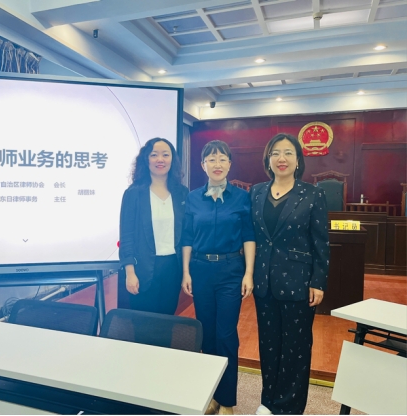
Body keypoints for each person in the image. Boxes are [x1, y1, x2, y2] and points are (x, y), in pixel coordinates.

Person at [249, 133, 329, 415]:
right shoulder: (256, 192)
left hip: (298, 282)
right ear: (268, 160)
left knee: (296, 348)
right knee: (268, 344)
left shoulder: (313, 194)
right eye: (275, 153)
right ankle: (268, 401)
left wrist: (318, 281)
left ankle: (290, 408)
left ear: (298, 160)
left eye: (288, 153)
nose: (281, 158)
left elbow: (321, 242)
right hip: (264, 282)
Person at [181, 140, 255, 415]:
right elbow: (187, 237)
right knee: (208, 335)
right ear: (203, 165)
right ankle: (212, 394)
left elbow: (248, 236)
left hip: (230, 271)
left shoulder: (241, 197)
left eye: (222, 158)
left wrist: (248, 273)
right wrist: (186, 272)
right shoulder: (193, 198)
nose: (217, 164)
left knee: (226, 335)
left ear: (229, 164)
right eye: (211, 159)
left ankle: (227, 401)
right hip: (200, 270)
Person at [118, 138, 188, 315]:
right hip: (143, 269)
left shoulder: (181, 193)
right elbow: (127, 236)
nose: (160, 160)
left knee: (167, 320)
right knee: (143, 323)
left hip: (173, 268)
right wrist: (130, 272)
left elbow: (187, 234)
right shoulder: (134, 193)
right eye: (154, 155)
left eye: (165, 155)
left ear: (172, 160)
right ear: (146, 159)